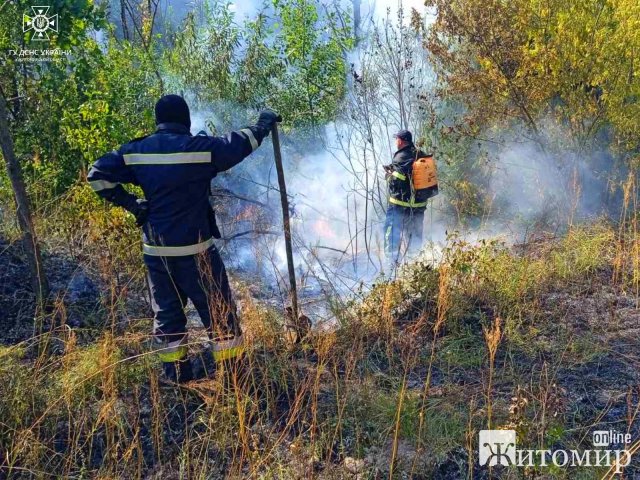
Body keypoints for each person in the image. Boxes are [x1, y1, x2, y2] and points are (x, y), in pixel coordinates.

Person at [87, 94, 280, 383]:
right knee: (220, 315)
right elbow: (240, 143)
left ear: (158, 121)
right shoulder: (200, 150)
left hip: (157, 254)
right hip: (198, 253)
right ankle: (234, 380)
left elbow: (96, 174)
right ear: (186, 121)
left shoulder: (137, 152)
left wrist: (131, 204)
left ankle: (177, 378)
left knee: (167, 318)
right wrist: (263, 125)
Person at [383, 129, 430, 263]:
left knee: (391, 232)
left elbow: (397, 180)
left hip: (400, 205)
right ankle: (413, 264)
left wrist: (390, 175)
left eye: (396, 139)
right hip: (419, 206)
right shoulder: (420, 154)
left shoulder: (400, 156)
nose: (396, 141)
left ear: (402, 141)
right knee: (414, 235)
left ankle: (391, 265)